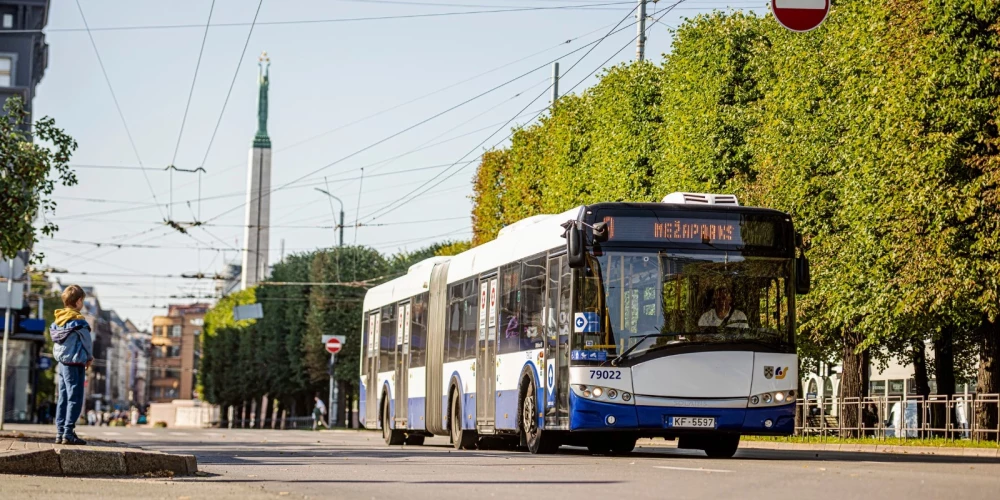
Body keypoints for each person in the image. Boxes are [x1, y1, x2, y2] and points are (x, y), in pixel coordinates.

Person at [50, 285, 93, 446]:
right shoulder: (79, 322)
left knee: (63, 398)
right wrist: (89, 357)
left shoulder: (58, 320)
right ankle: (68, 433)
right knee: (75, 397)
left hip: (62, 363)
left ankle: (60, 432)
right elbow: (87, 342)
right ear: (79, 301)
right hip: (75, 362)